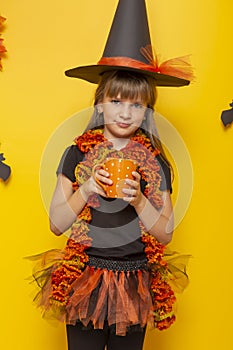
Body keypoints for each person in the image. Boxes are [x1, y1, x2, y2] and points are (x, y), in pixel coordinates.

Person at [29, 1, 192, 349]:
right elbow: (57, 223)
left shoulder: (154, 161)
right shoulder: (77, 152)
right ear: (100, 102)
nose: (125, 113)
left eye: (137, 105)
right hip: (84, 275)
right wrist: (86, 186)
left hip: (133, 283)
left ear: (148, 111)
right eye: (117, 101)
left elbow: (165, 233)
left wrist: (138, 199)